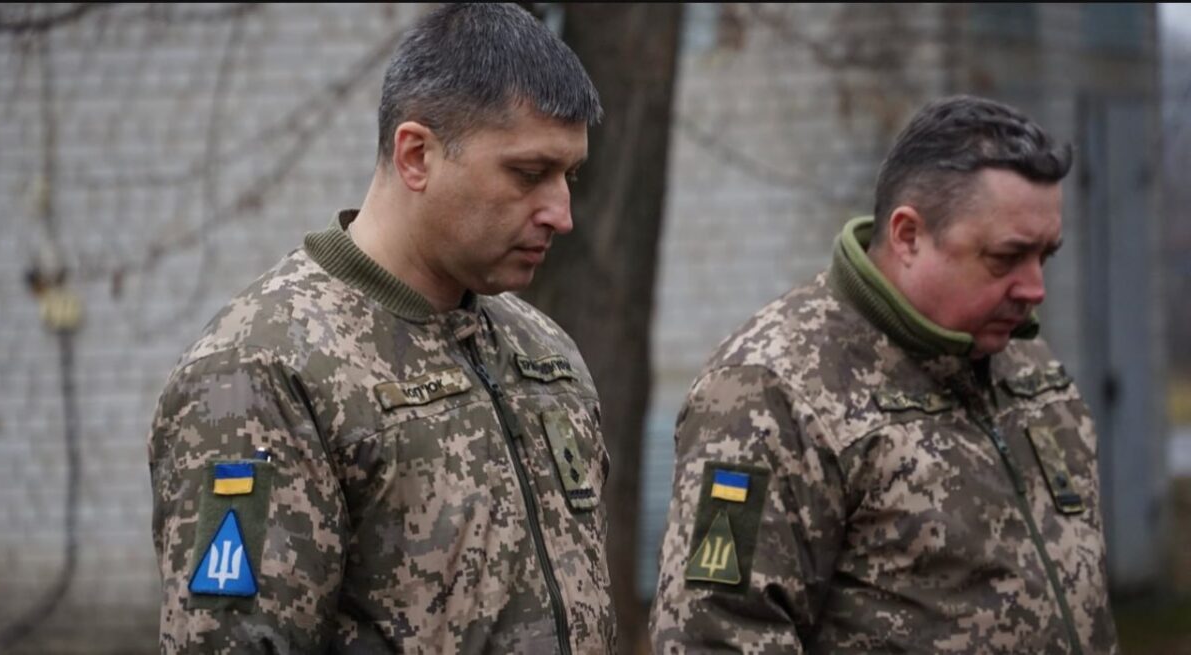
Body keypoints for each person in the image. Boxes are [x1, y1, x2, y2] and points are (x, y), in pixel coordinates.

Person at [148, 4, 615, 653]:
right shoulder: (264, 369)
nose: (561, 213)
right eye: (529, 174)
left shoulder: (543, 351)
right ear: (416, 155)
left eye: (570, 176)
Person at [649, 95, 1119, 654]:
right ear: (908, 235)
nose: (1034, 289)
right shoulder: (771, 390)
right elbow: (717, 636)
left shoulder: (1024, 360)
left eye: (1045, 256)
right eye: (1005, 258)